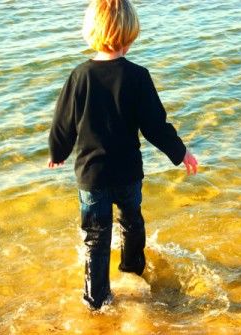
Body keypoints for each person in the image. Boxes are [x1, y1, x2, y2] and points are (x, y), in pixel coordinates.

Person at [48, 0, 198, 310]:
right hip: (128, 173)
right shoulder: (138, 76)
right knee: (132, 224)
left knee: (95, 237)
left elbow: (63, 122)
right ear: (129, 35)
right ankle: (132, 272)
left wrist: (57, 151)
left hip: (92, 176)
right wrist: (180, 151)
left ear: (92, 31)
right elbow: (155, 125)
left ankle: (96, 299)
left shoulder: (80, 76)